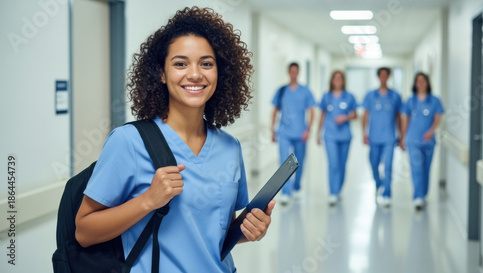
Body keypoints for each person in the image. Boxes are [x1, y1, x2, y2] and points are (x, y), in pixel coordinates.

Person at [74, 7, 275, 273]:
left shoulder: (230, 148)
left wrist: (248, 231)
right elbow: (84, 231)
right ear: (161, 73)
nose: (195, 74)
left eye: (206, 63)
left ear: (219, 73)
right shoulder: (129, 142)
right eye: (180, 63)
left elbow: (213, 235)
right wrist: (148, 200)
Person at [270, 62, 316, 205]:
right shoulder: (282, 90)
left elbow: (312, 111)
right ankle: (286, 192)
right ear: (288, 72)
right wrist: (272, 129)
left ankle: (297, 187)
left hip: (300, 132)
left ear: (298, 72)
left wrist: (308, 130)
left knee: (299, 161)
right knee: (285, 161)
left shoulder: (305, 91)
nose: (293, 73)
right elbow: (275, 110)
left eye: (296, 71)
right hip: (284, 132)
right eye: (291, 71)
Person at [361, 67, 404, 207]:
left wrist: (401, 135)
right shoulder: (371, 95)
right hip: (374, 136)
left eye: (386, 75)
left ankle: (387, 194)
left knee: (388, 166)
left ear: (388, 77)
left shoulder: (395, 96)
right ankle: (378, 184)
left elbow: (399, 117)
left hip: (389, 137)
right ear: (378, 77)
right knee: (373, 164)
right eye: (381, 75)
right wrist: (363, 133)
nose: (384, 78)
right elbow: (365, 114)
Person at [402, 72, 444, 210]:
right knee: (416, 168)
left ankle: (423, 194)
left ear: (427, 83)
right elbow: (406, 120)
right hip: (413, 140)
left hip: (428, 141)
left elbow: (437, 118)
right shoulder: (410, 101)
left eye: (423, 81)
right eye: (418, 81)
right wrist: (403, 137)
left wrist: (431, 132)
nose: (420, 84)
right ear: (414, 84)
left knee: (426, 168)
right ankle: (417, 196)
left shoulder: (434, 101)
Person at [317, 71, 358, 205]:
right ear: (332, 80)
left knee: (342, 164)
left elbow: (355, 115)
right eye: (335, 78)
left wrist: (345, 117)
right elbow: (322, 115)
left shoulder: (349, 96)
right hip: (330, 135)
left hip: (345, 136)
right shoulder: (326, 97)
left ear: (343, 80)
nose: (338, 80)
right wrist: (318, 133)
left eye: (340, 78)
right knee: (333, 163)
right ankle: (332, 192)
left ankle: (339, 189)